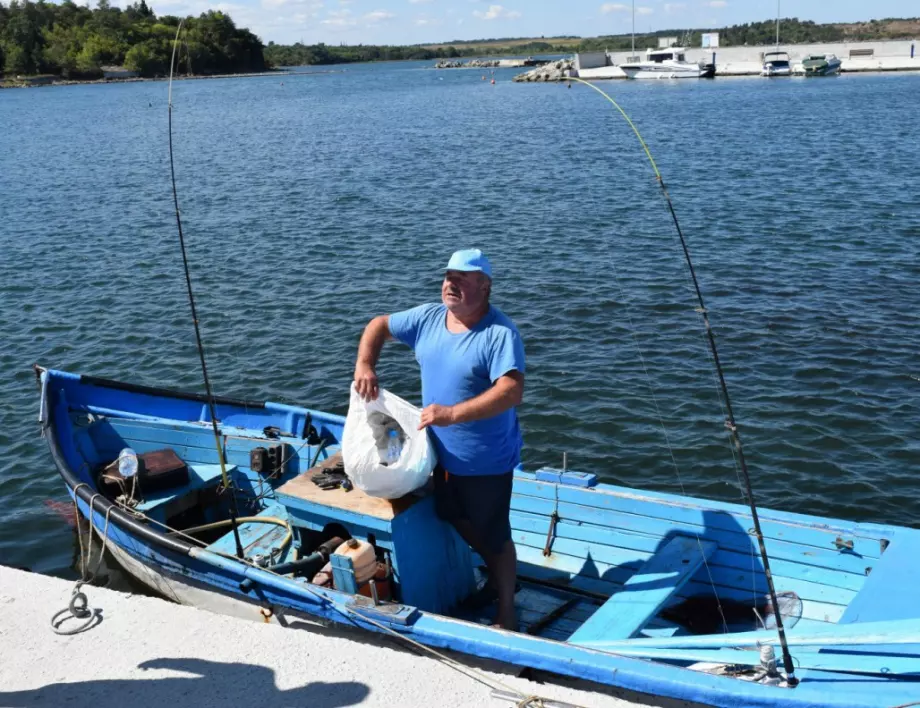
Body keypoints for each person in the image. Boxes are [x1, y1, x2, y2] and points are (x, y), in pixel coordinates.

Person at [354, 248, 525, 630]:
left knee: (496, 536)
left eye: (463, 279)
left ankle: (508, 614)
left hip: (485, 460)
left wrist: (452, 414)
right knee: (452, 515)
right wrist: (365, 364)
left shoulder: (499, 333)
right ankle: (500, 581)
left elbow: (511, 391)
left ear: (485, 286)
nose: (452, 284)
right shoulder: (429, 317)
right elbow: (379, 324)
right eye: (449, 276)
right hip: (438, 454)